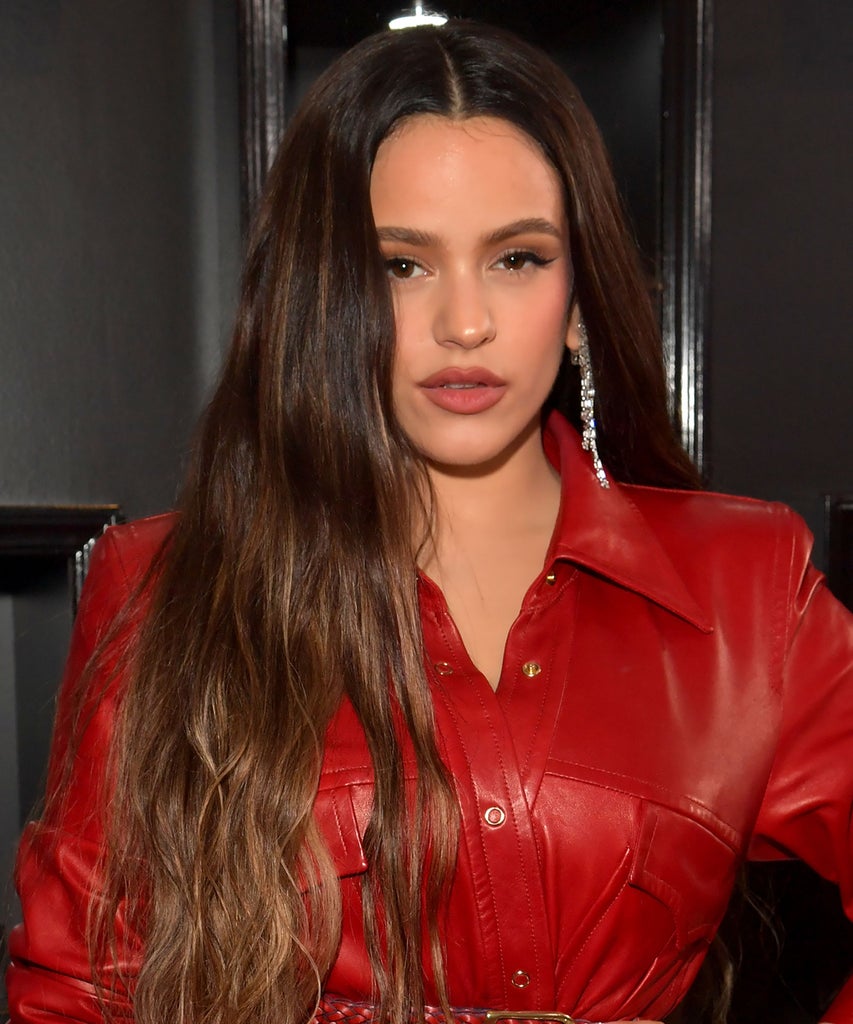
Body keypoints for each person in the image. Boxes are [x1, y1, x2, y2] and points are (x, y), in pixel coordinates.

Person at [6, 20, 852, 1024]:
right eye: (401, 265)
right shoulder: (168, 587)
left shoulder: (746, 586)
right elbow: (81, 988)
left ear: (578, 299)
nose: (465, 322)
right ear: (324, 296)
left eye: (517, 258)